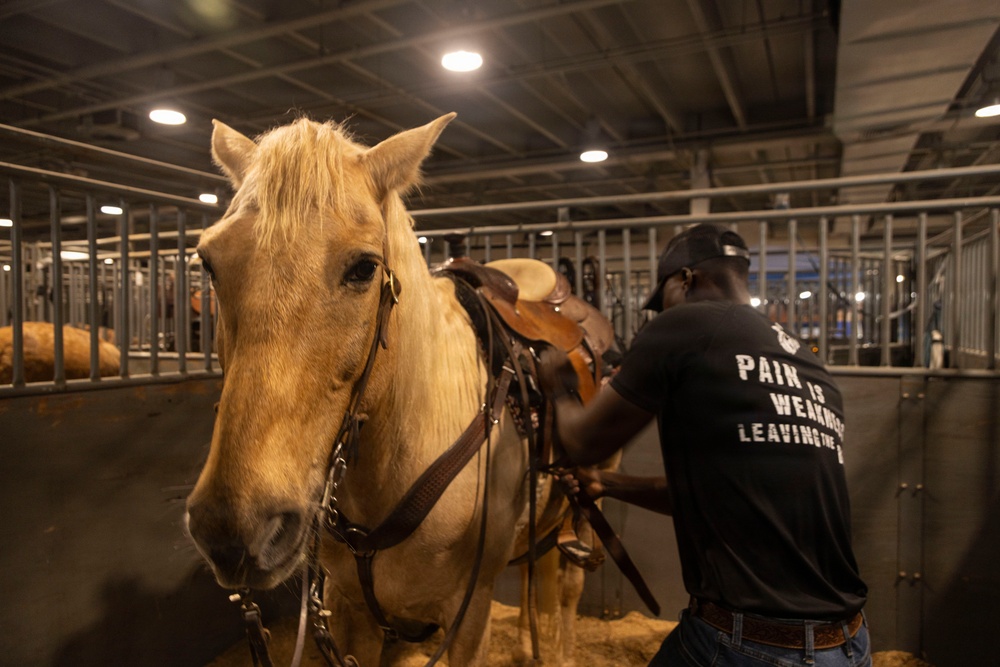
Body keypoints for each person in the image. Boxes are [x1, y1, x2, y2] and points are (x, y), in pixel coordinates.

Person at [540, 224, 870, 666]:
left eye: (662, 302)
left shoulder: (687, 323)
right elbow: (725, 496)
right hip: (849, 644)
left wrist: (558, 384)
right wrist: (609, 484)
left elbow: (581, 442)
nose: (660, 314)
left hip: (748, 644)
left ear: (686, 279)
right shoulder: (808, 364)